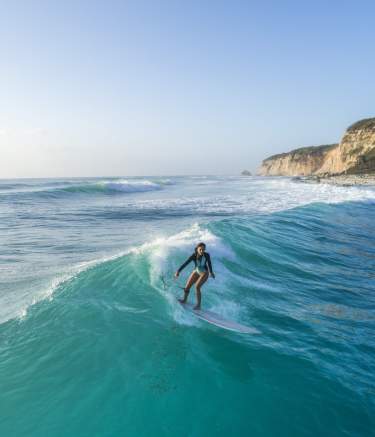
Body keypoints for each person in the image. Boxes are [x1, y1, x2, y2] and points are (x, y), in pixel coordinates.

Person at [174, 242, 215, 310]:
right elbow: (185, 263)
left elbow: (209, 263)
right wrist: (178, 271)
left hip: (204, 272)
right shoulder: (193, 256)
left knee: (197, 286)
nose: (202, 251)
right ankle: (184, 300)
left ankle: (198, 305)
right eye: (200, 249)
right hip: (196, 271)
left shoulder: (207, 255)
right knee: (187, 287)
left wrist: (211, 272)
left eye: (203, 249)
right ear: (197, 249)